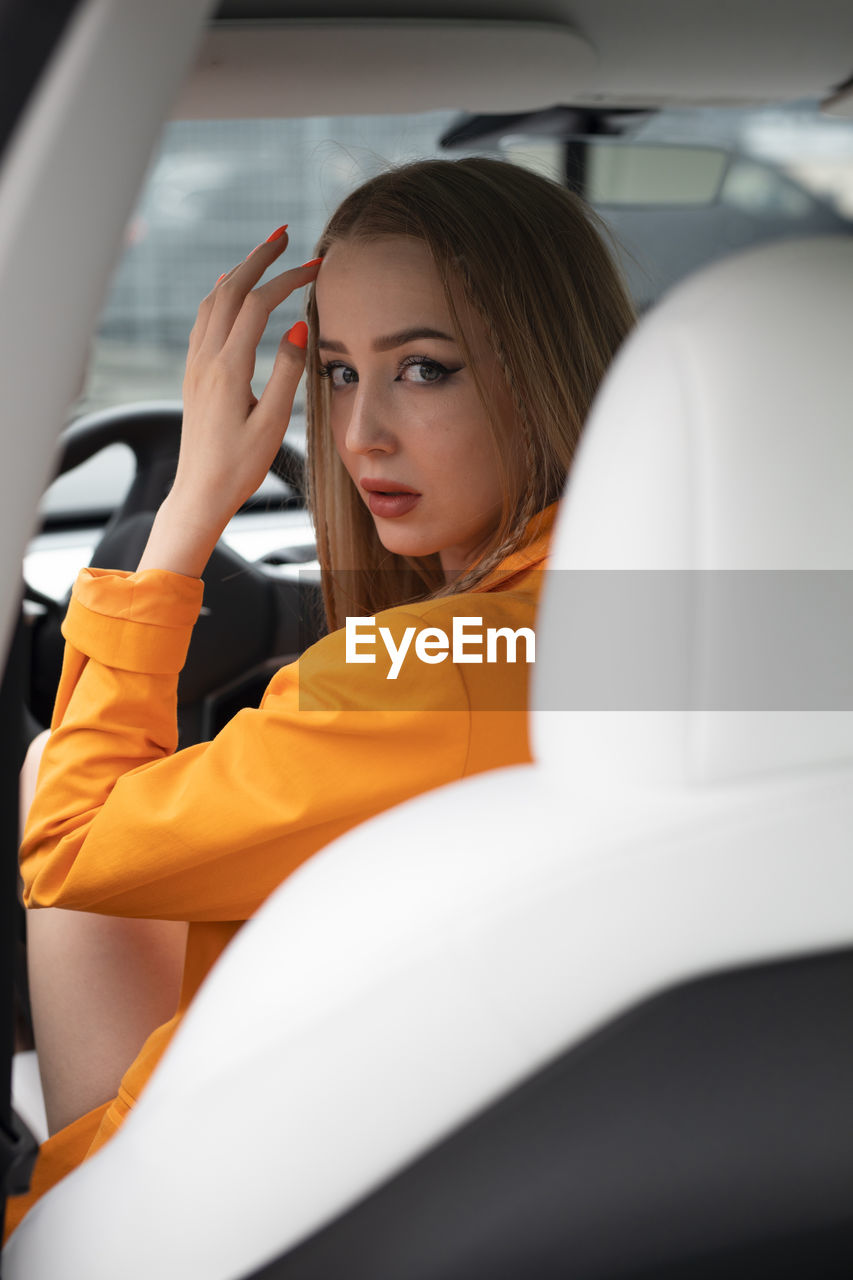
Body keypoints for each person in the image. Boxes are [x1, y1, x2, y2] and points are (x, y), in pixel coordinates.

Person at [5, 156, 634, 1238]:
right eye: (337, 372)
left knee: (52, 771)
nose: (359, 437)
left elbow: (68, 845)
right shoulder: (693, 613)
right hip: (490, 1149)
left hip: (239, 1203)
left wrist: (191, 508)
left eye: (425, 370)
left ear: (545, 370)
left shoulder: (429, 674)